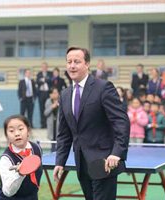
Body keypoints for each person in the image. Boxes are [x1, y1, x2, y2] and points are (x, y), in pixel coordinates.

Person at [53, 47, 130, 200]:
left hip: (105, 161)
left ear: (87, 64)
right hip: (82, 163)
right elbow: (64, 132)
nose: (72, 66)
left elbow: (121, 121)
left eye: (77, 62)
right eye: (69, 62)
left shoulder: (103, 87)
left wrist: (117, 153)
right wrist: (59, 161)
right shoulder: (65, 94)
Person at [0, 115, 43, 199]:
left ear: (28, 131)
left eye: (21, 129)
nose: (17, 134)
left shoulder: (37, 149)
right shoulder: (6, 159)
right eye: (11, 131)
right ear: (6, 135)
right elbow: (7, 192)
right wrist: (20, 174)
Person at [36, 62, 53, 128]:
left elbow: (50, 81)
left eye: (45, 67)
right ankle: (43, 124)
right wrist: (44, 80)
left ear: (47, 67)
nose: (44, 68)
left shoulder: (50, 73)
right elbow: (37, 82)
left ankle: (48, 124)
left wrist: (43, 80)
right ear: (41, 67)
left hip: (47, 93)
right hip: (41, 93)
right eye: (43, 67)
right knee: (41, 109)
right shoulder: (39, 74)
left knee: (48, 108)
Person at [44, 87, 60, 152]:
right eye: (53, 93)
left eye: (56, 93)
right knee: (52, 144)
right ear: (50, 94)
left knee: (59, 144)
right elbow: (45, 113)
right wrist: (52, 107)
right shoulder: (48, 101)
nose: (55, 94)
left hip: (59, 125)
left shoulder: (61, 101)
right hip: (52, 125)